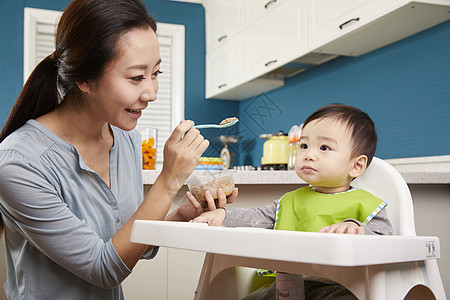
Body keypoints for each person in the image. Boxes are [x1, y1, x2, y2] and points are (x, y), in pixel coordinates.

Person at [0, 0, 237, 299]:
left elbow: (126, 242)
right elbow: (104, 268)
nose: (151, 92)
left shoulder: (126, 140)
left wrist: (180, 215)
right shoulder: (19, 164)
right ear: (85, 78)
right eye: (137, 77)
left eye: (156, 74)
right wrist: (168, 181)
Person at [192, 104, 393, 299]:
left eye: (324, 147)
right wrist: (224, 215)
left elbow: (385, 240)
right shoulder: (290, 201)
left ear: (357, 165)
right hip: (285, 284)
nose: (309, 155)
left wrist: (356, 228)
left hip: (342, 286)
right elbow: (257, 217)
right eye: (304, 145)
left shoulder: (366, 204)